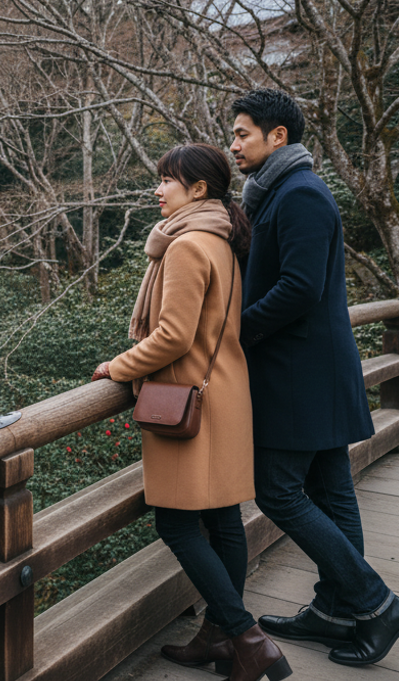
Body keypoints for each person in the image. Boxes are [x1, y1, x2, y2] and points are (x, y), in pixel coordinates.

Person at [229, 88, 399, 667]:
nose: (233, 144)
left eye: (242, 133)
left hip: (298, 372)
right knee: (332, 492)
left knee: (279, 491)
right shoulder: (275, 193)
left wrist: (233, 332)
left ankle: (374, 602)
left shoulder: (301, 193)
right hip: (309, 368)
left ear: (277, 136)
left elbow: (300, 288)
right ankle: (337, 610)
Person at [92, 144, 290, 681]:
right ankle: (220, 639)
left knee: (177, 525)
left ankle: (248, 639)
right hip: (224, 390)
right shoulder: (221, 239)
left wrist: (119, 366)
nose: (158, 190)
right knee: (223, 521)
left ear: (198, 190)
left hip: (186, 402)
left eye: (167, 181)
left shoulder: (184, 246)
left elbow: (173, 336)